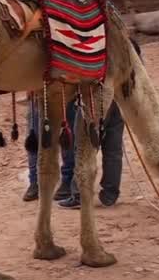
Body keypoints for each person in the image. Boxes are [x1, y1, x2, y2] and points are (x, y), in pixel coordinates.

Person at [23, 37, 141, 208]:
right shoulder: (127, 52)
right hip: (117, 101)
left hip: (96, 99)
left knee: (84, 146)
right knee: (113, 149)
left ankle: (77, 194)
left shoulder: (100, 47)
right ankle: (109, 193)